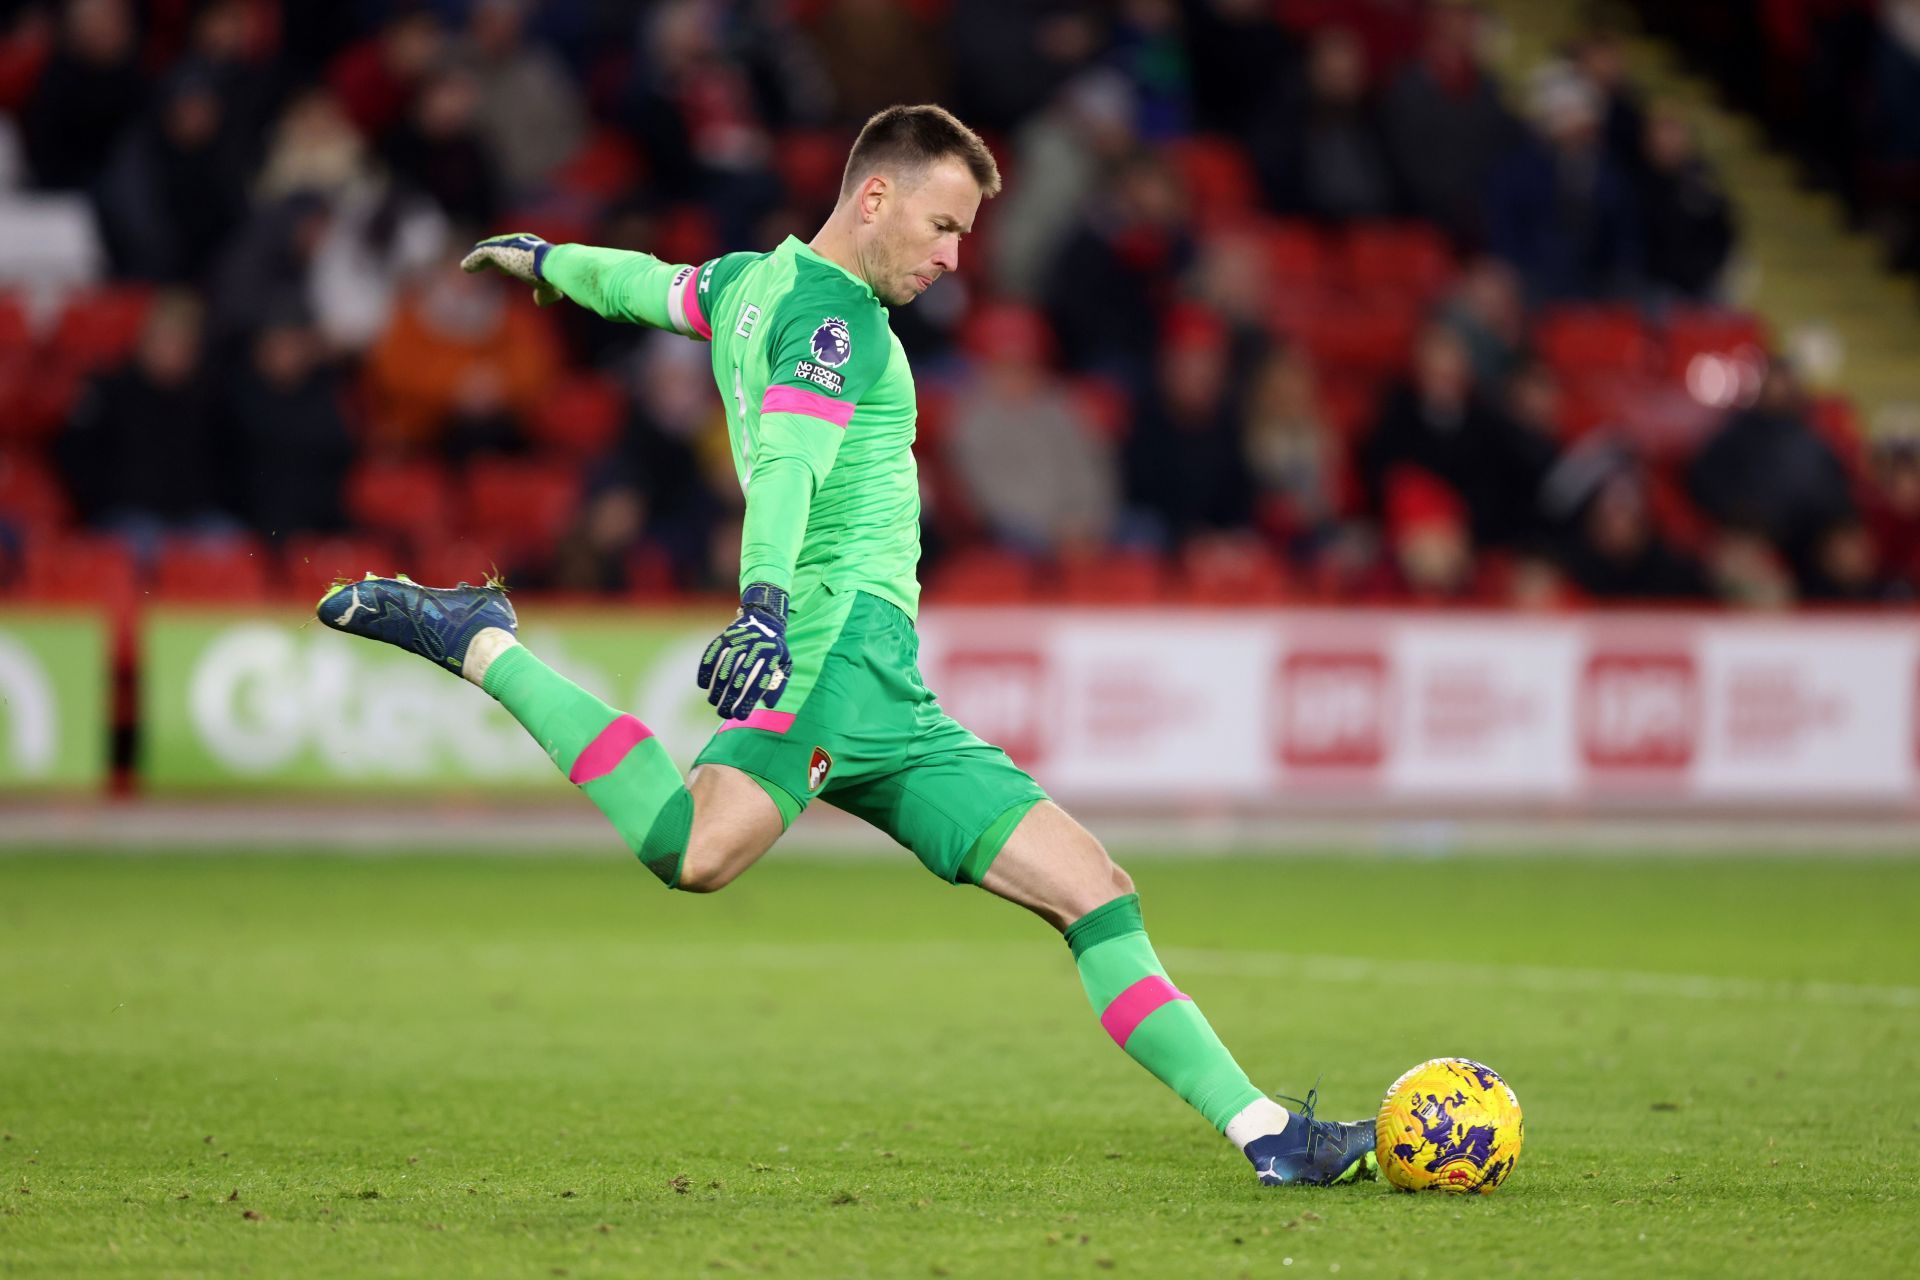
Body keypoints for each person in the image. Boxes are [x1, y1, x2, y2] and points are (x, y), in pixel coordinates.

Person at [317, 104, 1375, 1189]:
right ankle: (484, 643)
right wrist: (766, 605)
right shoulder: (840, 322)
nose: (953, 258)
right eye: (943, 225)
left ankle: (1266, 1133)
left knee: (1094, 887)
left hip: (886, 685)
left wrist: (551, 258)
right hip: (829, 649)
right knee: (694, 848)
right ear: (876, 196)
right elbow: (788, 465)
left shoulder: (746, 283)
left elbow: (648, 285)